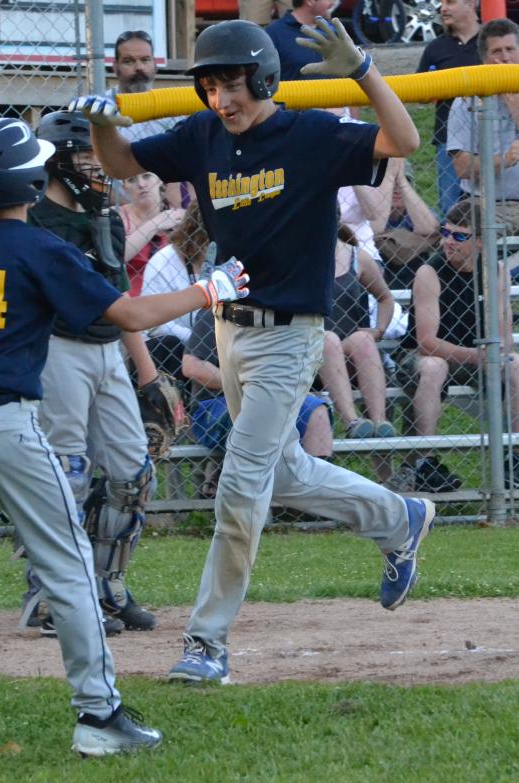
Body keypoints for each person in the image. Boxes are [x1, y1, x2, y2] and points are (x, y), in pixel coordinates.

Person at [71, 17, 435, 688]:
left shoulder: (309, 134)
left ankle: (206, 643)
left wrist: (360, 69)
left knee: (241, 487)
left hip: (289, 334)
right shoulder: (204, 133)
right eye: (209, 87)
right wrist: (102, 126)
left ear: (264, 79)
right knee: (284, 473)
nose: (220, 100)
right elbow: (123, 162)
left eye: (231, 85)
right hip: (231, 330)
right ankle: (398, 516)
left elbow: (403, 138)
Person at [0, 116, 248, 771]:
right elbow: (128, 315)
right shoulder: (42, 248)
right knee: (72, 568)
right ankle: (99, 717)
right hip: (4, 422)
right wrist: (208, 290)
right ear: (26, 179)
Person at [23, 110, 177, 636]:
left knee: (133, 473)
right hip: (55, 348)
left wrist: (149, 376)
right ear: (57, 163)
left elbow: (120, 303)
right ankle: (49, 594)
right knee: (64, 474)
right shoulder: (31, 219)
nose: (99, 169)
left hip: (106, 349)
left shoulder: (105, 217)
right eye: (86, 158)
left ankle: (109, 585)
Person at [392, 198, 519, 492]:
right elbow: (425, 342)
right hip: (421, 357)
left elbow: (503, 333)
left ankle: (514, 458)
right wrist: (479, 354)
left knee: (515, 364)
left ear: (479, 242)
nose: (449, 242)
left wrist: (497, 352)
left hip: (473, 356)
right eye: (446, 233)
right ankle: (425, 464)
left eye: (460, 236)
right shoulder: (430, 273)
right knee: (435, 367)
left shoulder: (494, 271)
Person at [184, 307, 334, 498]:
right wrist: (249, 384)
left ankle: (315, 500)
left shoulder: (281, 314)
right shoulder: (218, 310)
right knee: (263, 411)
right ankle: (252, 492)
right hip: (215, 403)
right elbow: (192, 366)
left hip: (272, 395)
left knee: (316, 411)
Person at [318, 220, 396, 439]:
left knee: (361, 339)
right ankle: (352, 422)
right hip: (309, 353)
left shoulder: (356, 256)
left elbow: (385, 297)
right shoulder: (294, 257)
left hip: (350, 354)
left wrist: (379, 329)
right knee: (328, 339)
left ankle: (379, 422)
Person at [447, 17, 519, 235]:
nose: (505, 58)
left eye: (510, 49)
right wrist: (505, 160)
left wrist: (514, 104)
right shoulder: (467, 101)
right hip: (481, 202)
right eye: (497, 52)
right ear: (484, 60)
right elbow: (462, 168)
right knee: (451, 239)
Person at [109, 29, 193, 210]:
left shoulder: (173, 107)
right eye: (129, 61)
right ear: (115, 67)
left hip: (169, 206)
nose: (138, 67)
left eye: (145, 60)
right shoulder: (105, 108)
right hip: (120, 209)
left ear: (155, 65)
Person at [417, 0, 481, 217]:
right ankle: (452, 247)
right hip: (449, 140)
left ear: (471, 4)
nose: (443, 8)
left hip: (491, 135)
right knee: (451, 208)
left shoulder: (490, 42)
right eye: (441, 3)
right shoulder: (436, 47)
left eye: (450, 2)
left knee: (490, 205)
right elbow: (418, 93)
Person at [140, 201, 209, 378]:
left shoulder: (221, 261)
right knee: (169, 344)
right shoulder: (163, 262)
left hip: (206, 348)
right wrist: (199, 342)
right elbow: (157, 325)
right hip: (171, 351)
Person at [370, 158, 440, 290]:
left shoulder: (416, 210)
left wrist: (401, 179)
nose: (396, 190)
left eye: (402, 183)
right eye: (391, 184)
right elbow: (373, 228)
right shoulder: (367, 210)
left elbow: (431, 229)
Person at [118, 171, 185, 295]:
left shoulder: (180, 217)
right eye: (132, 180)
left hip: (174, 298)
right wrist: (156, 223)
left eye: (147, 176)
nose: (141, 184)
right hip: (131, 301)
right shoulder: (117, 217)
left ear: (160, 179)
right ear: (124, 187)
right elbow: (117, 257)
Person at [266, 0, 330, 81]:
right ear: (310, 1)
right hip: (293, 92)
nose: (332, 3)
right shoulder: (273, 33)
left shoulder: (334, 29)